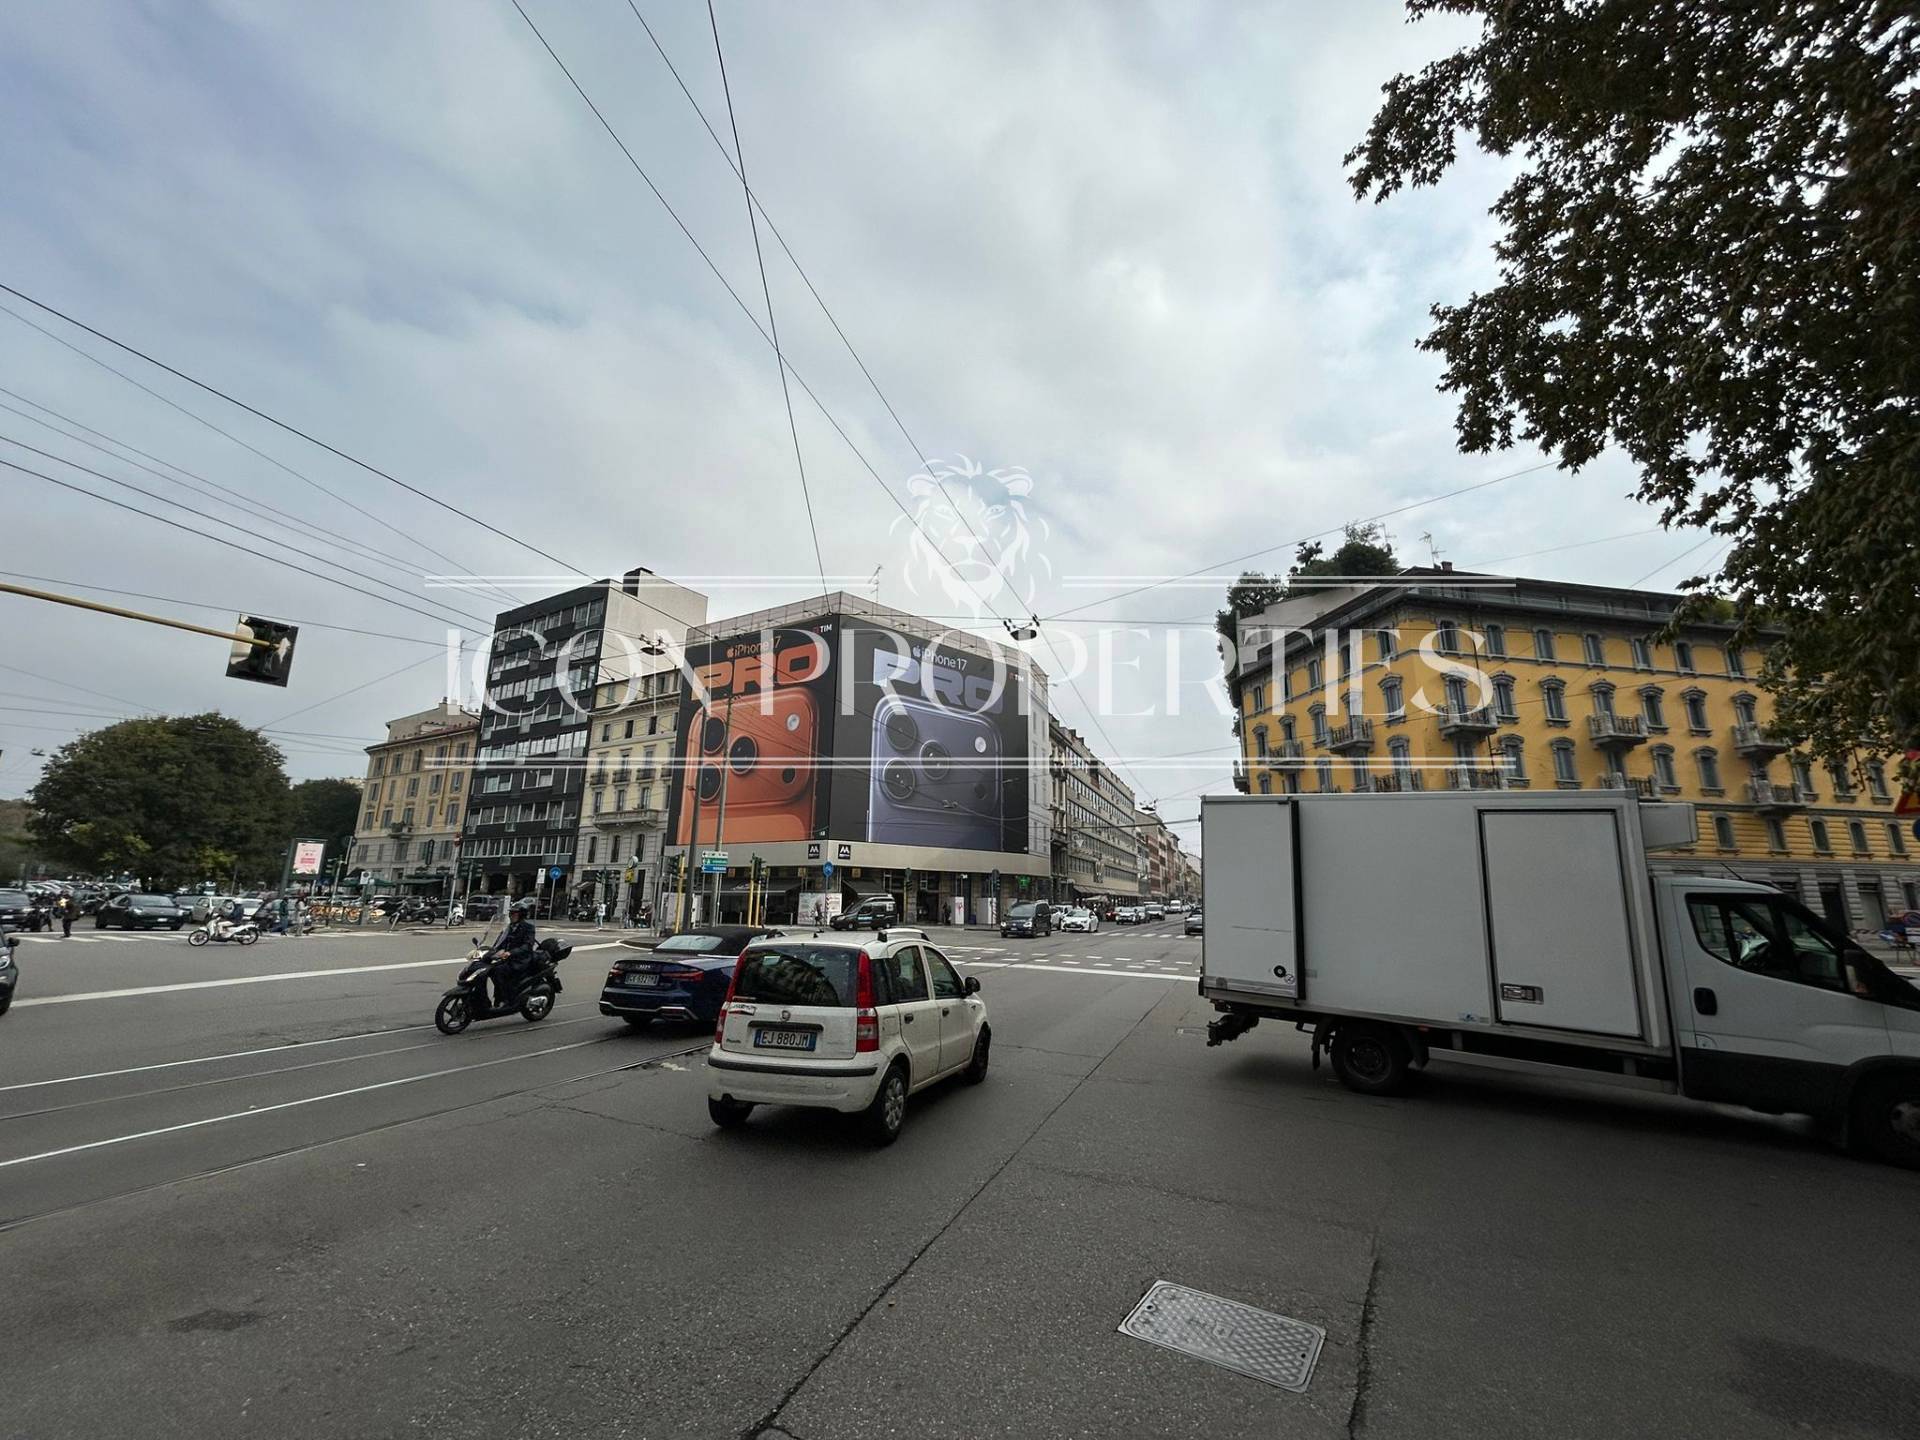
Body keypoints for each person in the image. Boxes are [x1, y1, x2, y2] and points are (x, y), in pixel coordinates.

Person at [487, 900, 538, 1009]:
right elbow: (501, 941)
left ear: (521, 915)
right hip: (508, 958)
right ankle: (499, 997)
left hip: (521, 960)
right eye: (511, 913)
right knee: (489, 969)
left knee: (499, 971)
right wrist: (490, 950)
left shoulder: (528, 928)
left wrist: (510, 952)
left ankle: (506, 999)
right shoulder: (509, 927)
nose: (511, 915)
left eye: (514, 913)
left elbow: (527, 946)